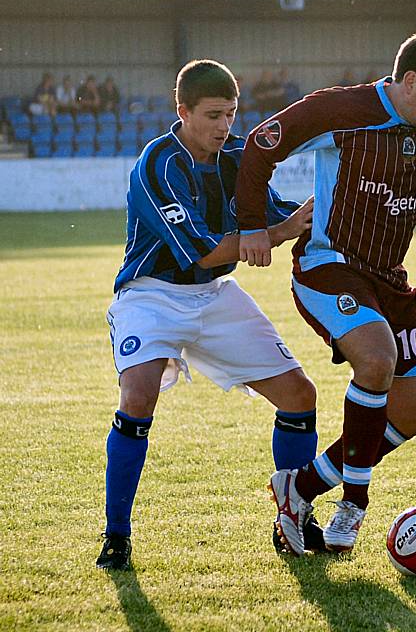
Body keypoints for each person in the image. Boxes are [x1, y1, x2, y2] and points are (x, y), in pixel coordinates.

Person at [237, 29, 416, 555]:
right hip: (327, 265)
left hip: (389, 278)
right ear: (410, 80)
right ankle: (353, 504)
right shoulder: (342, 109)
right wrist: (254, 225)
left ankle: (298, 487)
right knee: (376, 359)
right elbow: (261, 146)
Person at [96, 59, 327, 571]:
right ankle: (116, 537)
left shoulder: (238, 155)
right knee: (138, 396)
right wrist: (280, 232)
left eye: (231, 113)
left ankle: (293, 516)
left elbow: (267, 213)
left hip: (214, 295)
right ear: (183, 112)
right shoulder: (158, 162)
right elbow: (201, 249)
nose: (225, 125)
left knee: (299, 395)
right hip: (150, 296)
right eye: (213, 115)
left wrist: (322, 215)